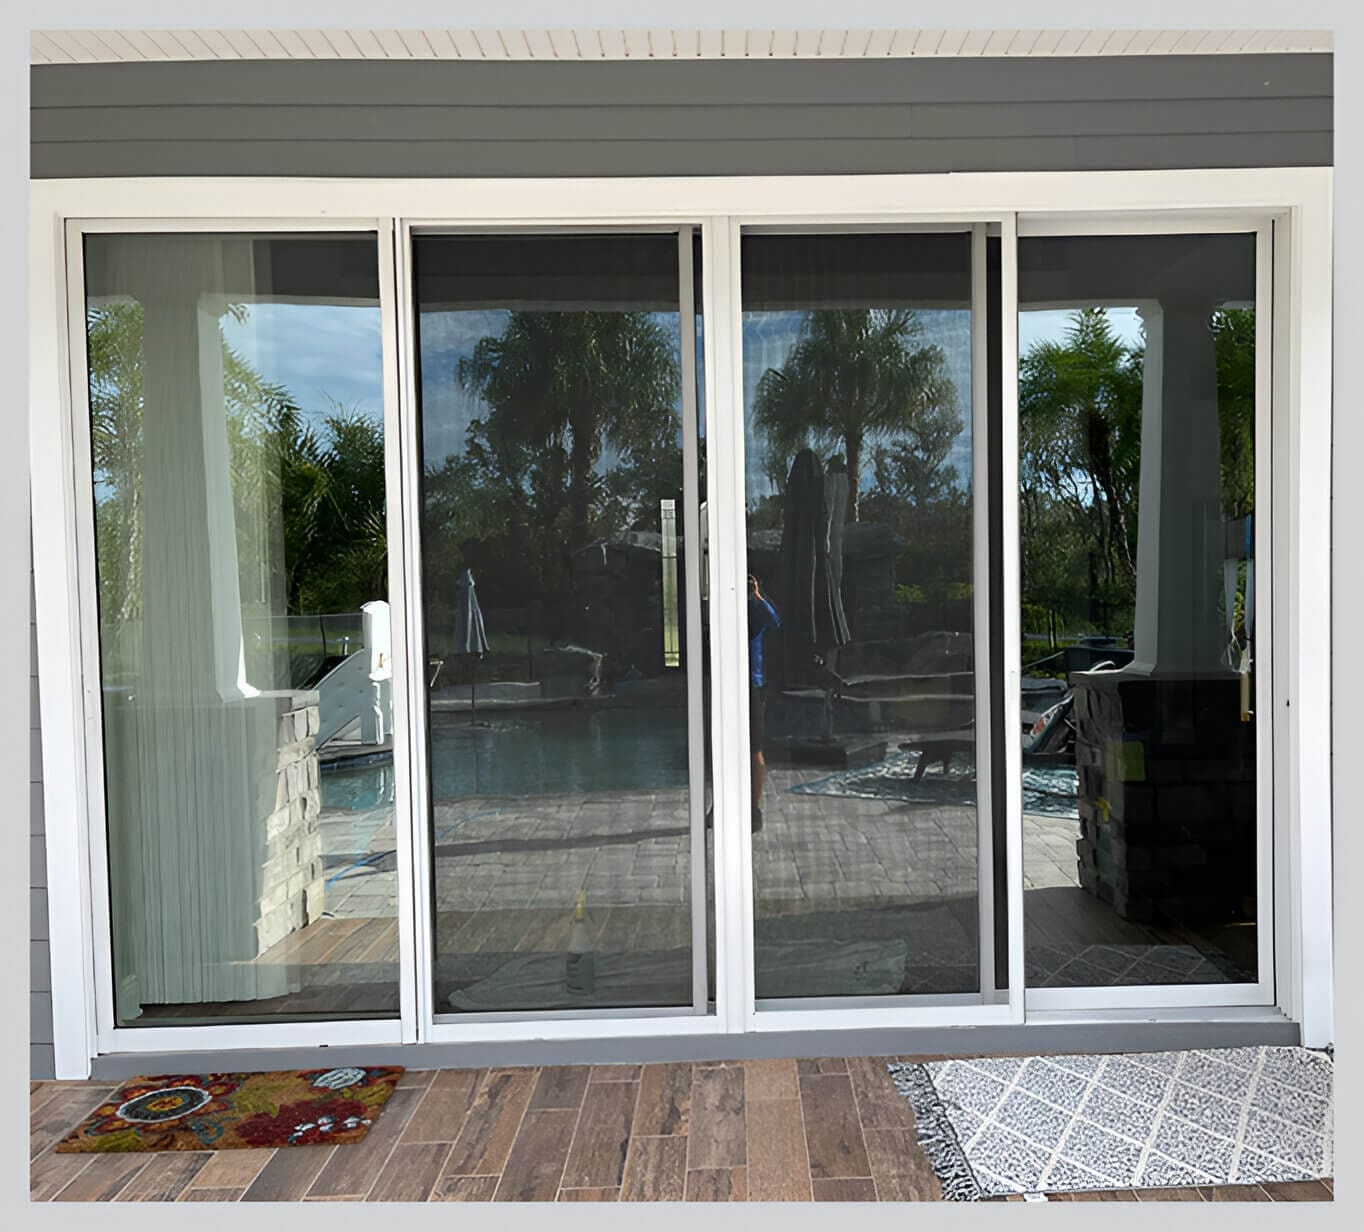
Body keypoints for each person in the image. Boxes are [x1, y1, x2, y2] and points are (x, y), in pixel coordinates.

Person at [748, 573, 780, 833]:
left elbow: (775, 622)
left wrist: (757, 597)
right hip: (724, 681)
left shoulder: (755, 609)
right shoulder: (719, 607)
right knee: (721, 749)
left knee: (753, 748)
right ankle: (722, 802)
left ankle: (754, 808)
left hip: (752, 683)